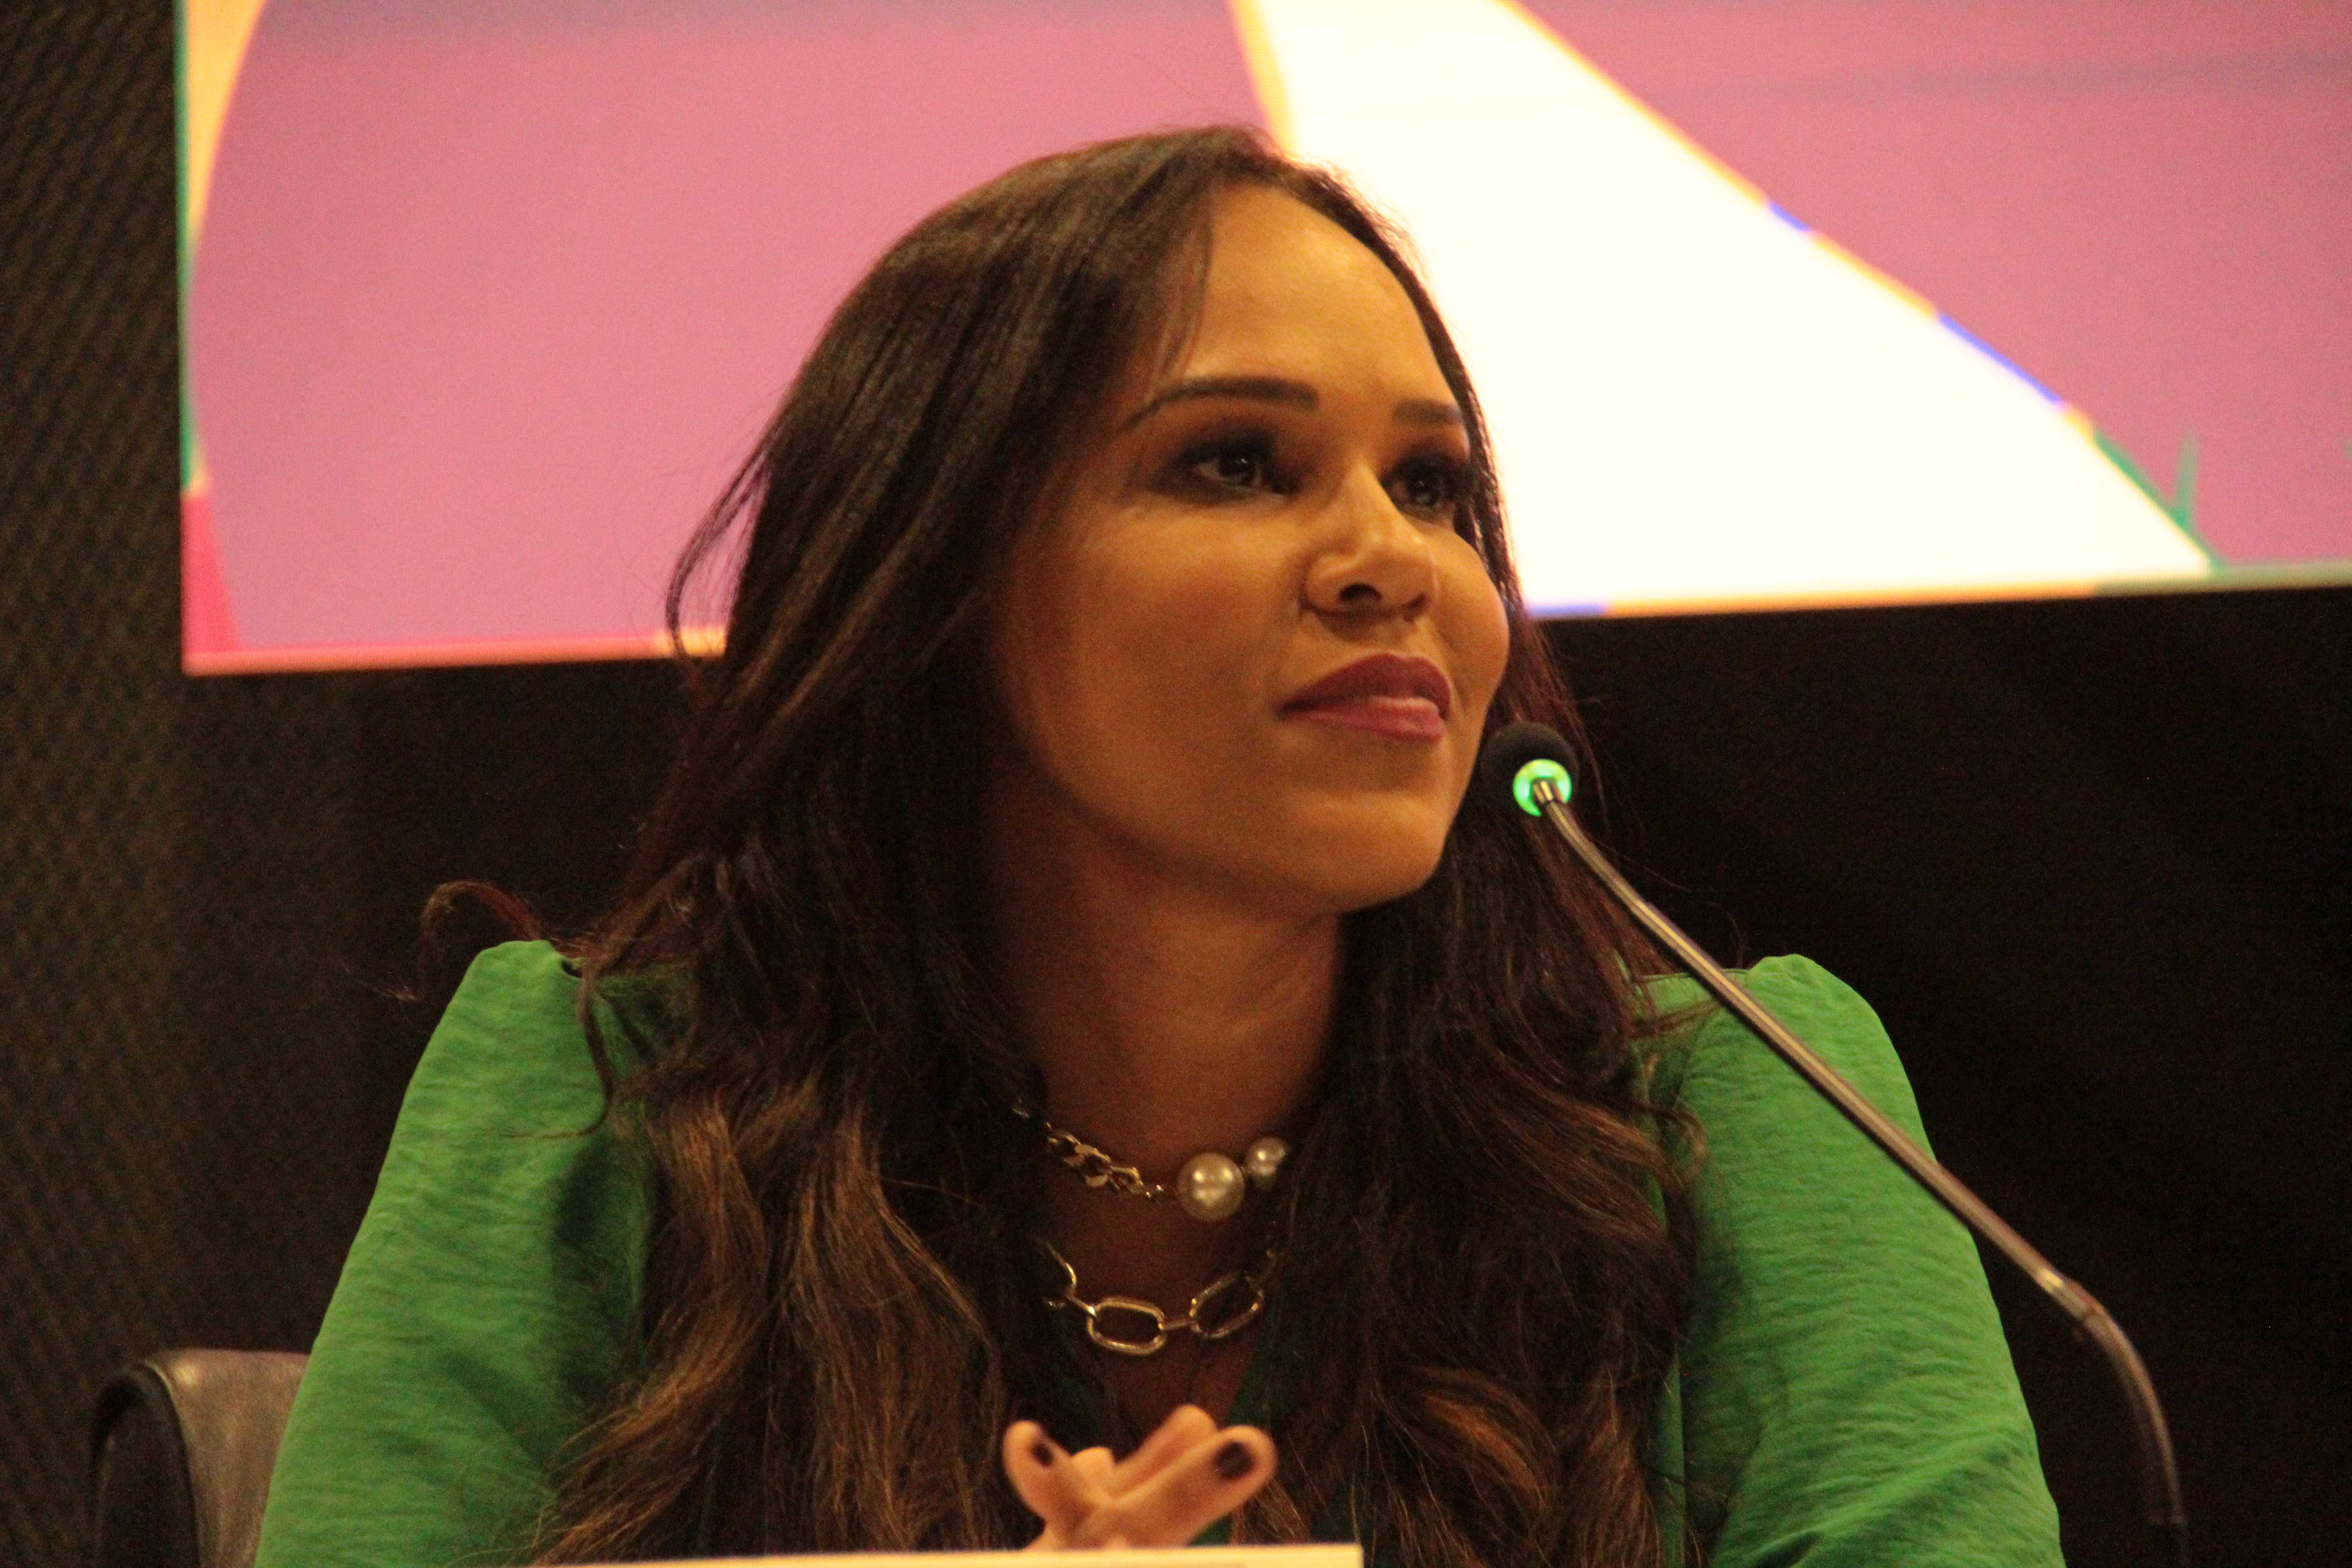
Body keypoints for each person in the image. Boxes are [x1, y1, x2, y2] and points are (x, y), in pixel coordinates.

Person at [255, 127, 2063, 1567]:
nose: (1393, 561)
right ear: (940, 587)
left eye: (1434, 487)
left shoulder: (1740, 1113)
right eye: (1235, 465)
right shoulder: (599, 1105)